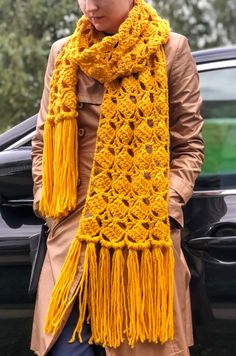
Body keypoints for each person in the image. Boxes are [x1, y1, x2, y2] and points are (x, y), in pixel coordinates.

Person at [31, 0, 204, 355]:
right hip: (73, 239)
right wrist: (47, 204)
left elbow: (188, 148)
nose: (90, 6)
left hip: (140, 245)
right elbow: (42, 143)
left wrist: (160, 206)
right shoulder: (63, 54)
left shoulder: (171, 49)